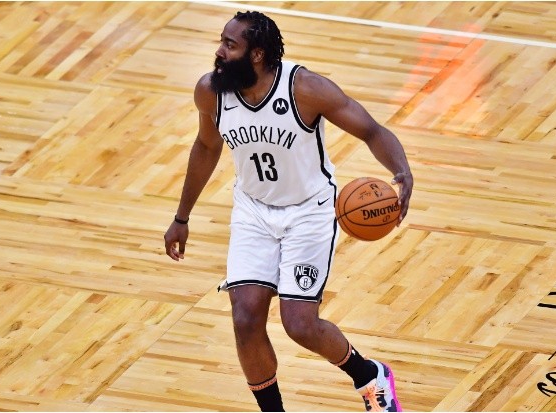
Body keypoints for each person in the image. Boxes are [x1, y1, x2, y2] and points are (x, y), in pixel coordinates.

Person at [164, 10, 413, 412]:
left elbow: (371, 130)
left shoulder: (305, 88)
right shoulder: (211, 91)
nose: (219, 52)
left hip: (308, 212)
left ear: (257, 54)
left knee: (299, 324)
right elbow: (207, 147)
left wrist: (400, 170)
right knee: (245, 317)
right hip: (252, 211)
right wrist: (181, 217)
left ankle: (370, 377)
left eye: (230, 45)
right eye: (221, 41)